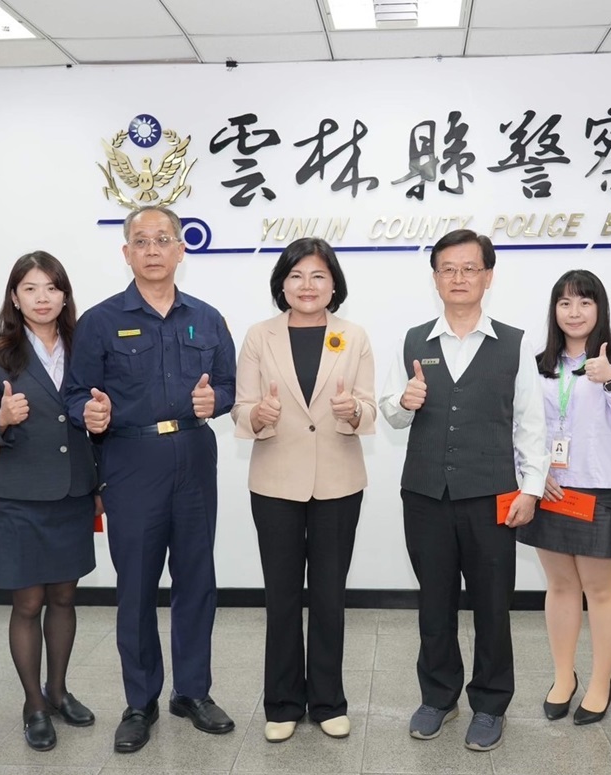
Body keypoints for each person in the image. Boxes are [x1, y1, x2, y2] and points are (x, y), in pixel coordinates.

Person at [65, 205, 237, 754]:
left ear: (181, 249)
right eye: (141, 241)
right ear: (127, 252)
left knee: (197, 580)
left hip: (194, 454)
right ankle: (140, 702)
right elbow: (75, 393)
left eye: (163, 239)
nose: (153, 249)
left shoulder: (207, 318)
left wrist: (217, 401)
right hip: (131, 459)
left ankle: (193, 692)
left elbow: (229, 385)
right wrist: (88, 413)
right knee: (136, 586)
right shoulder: (100, 321)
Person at [379, 229, 546, 753]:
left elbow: (531, 423)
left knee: (493, 606)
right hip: (425, 495)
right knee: (434, 603)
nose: (458, 277)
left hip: (492, 495)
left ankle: (491, 704)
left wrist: (531, 489)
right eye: (447, 269)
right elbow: (390, 414)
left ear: (487, 277)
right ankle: (438, 696)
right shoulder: (412, 340)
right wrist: (404, 402)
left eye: (469, 268)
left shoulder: (515, 343)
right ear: (435, 278)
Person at [232, 238, 375, 743]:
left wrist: (353, 412)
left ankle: (329, 702)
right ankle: (283, 703)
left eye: (318, 276)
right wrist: (259, 416)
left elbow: (368, 408)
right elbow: (241, 408)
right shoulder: (259, 336)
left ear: (334, 284)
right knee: (282, 597)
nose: (307, 285)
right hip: (275, 482)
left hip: (338, 481)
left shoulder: (353, 336)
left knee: (330, 596)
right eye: (296, 276)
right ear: (282, 284)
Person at [0, 252, 97, 751]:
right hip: (21, 497)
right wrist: (2, 419)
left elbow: (98, 418)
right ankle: (33, 704)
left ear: (64, 295)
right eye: (30, 288)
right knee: (27, 603)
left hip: (73, 493)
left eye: (51, 288)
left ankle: (58, 690)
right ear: (15, 298)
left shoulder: (85, 346)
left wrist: (101, 486)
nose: (42, 298)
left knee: (64, 598)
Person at [515, 269, 611, 728]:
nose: (574, 312)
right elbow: (520, 424)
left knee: (600, 589)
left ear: (600, 308)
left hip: (606, 485)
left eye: (584, 302)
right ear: (554, 310)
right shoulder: (539, 361)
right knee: (559, 586)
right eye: (565, 303)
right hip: (552, 486)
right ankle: (563, 677)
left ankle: (600, 682)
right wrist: (534, 473)